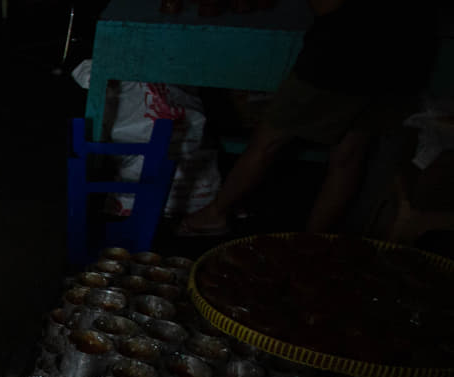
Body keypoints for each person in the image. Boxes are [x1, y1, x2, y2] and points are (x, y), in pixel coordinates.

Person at [178, 0, 437, 237]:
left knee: (270, 138)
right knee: (350, 153)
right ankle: (312, 242)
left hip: (347, 47)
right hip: (407, 46)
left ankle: (215, 214)